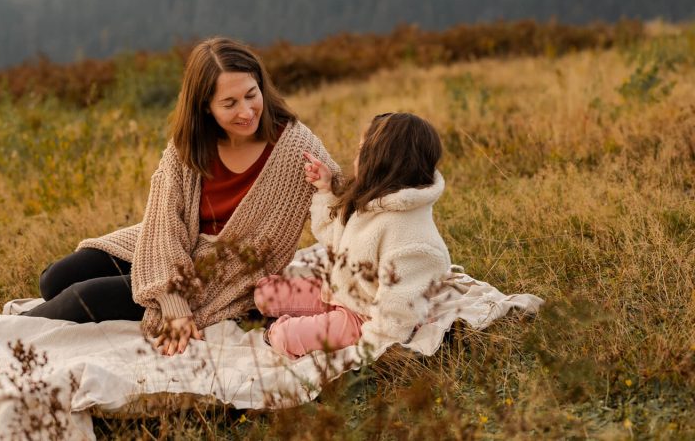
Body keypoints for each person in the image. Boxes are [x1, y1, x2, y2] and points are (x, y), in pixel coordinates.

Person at [25, 37, 340, 356]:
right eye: (230, 103)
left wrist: (328, 186)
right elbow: (163, 224)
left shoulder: (293, 143)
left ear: (262, 86)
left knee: (83, 298)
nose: (246, 111)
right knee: (55, 279)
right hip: (167, 246)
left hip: (222, 274)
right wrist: (172, 302)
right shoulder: (188, 147)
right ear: (206, 106)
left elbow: (346, 203)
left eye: (251, 95)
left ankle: (6, 332)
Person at [254, 112, 451, 359]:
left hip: (366, 318)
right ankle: (295, 318)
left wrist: (368, 344)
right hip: (342, 290)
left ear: (381, 161)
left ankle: (277, 334)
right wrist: (326, 190)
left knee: (283, 336)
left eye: (360, 150)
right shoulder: (373, 201)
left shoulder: (413, 240)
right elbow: (334, 238)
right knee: (266, 294)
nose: (355, 157)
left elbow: (396, 313)